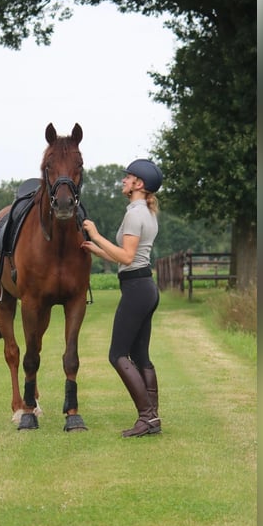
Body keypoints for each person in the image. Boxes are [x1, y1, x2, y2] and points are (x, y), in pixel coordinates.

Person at [81, 159, 163, 437]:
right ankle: (153, 419)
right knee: (141, 355)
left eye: (128, 177)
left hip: (137, 290)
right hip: (145, 286)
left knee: (117, 354)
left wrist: (96, 234)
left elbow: (126, 257)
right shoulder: (146, 212)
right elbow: (128, 258)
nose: (123, 181)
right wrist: (96, 249)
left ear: (139, 184)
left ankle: (147, 417)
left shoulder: (134, 214)